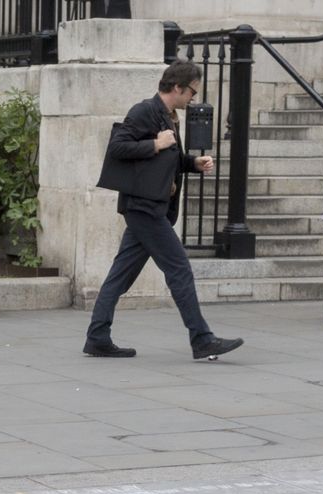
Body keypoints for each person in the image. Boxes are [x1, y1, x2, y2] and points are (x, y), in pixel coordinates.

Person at [84, 61, 242, 362]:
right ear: (177, 88)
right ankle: (202, 339)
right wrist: (155, 143)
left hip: (150, 207)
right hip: (143, 208)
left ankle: (97, 337)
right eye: (192, 92)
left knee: (120, 277)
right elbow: (118, 147)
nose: (193, 99)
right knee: (179, 268)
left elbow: (167, 161)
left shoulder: (170, 117)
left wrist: (192, 164)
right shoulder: (144, 111)